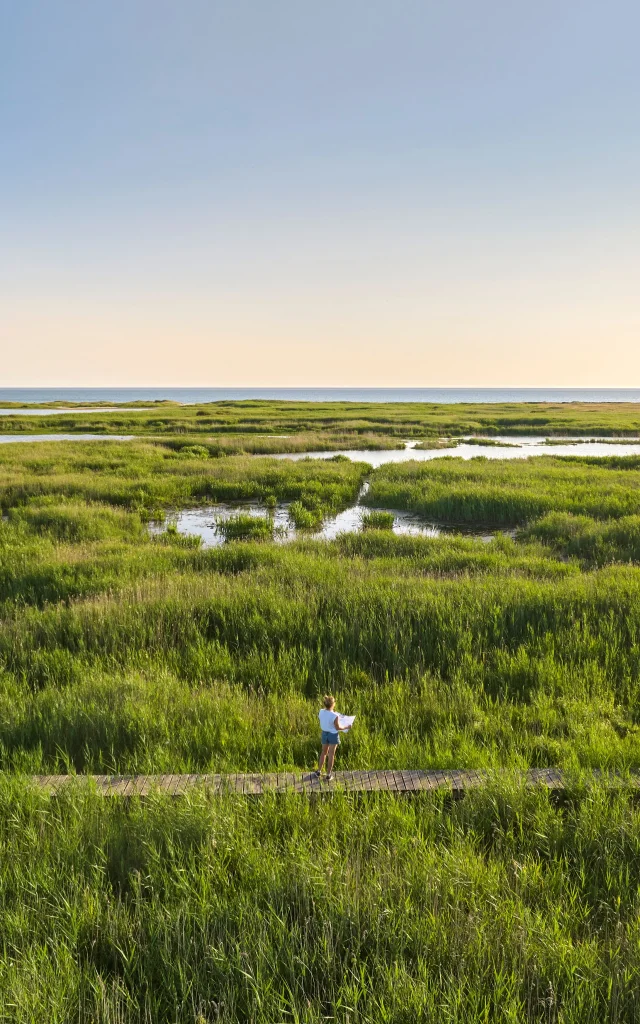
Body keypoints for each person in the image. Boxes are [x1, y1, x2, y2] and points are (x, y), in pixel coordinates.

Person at [315, 694, 351, 781]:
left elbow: (325, 718)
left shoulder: (321, 711)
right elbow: (338, 727)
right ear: (333, 704)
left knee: (323, 752)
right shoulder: (335, 716)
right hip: (333, 735)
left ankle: (318, 771)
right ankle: (328, 775)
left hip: (324, 733)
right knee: (331, 754)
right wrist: (347, 727)